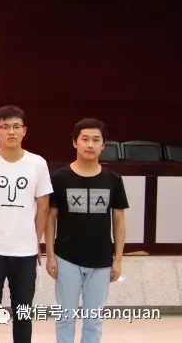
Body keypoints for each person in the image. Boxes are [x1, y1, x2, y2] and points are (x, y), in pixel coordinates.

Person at [0, 105, 53, 343]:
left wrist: (35, 242)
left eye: (16, 127)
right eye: (5, 127)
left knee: (23, 311)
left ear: (25, 130)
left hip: (24, 251)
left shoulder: (37, 163)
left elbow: (43, 207)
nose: (11, 132)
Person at [45, 118, 128, 343]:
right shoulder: (59, 178)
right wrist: (50, 255)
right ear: (75, 142)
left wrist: (118, 259)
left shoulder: (113, 179)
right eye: (85, 139)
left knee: (94, 319)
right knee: (65, 317)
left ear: (103, 145)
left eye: (96, 140)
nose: (90, 145)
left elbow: (119, 220)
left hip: (101, 260)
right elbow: (50, 218)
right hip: (66, 258)